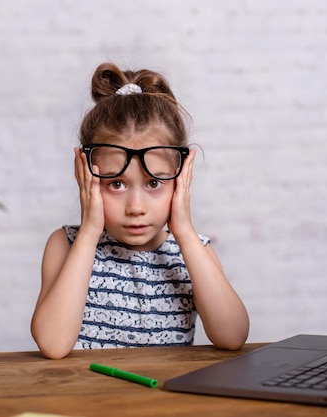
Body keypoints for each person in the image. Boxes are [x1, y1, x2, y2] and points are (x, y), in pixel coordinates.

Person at [31, 62, 249, 359]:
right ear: (86, 176)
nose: (135, 208)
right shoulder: (66, 245)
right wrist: (89, 232)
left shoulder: (195, 251)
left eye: (154, 182)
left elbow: (233, 336)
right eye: (117, 184)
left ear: (181, 178)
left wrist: (184, 231)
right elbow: (53, 344)